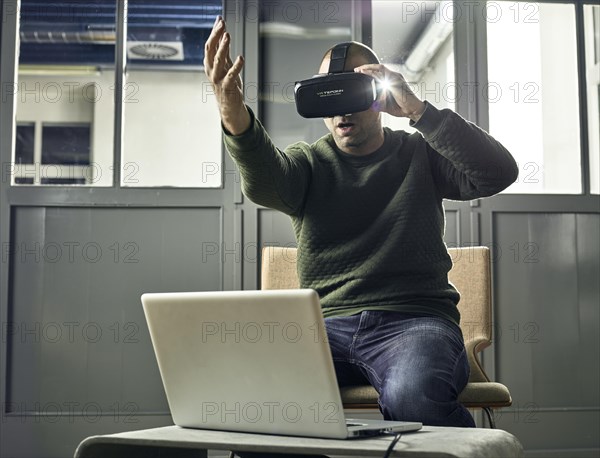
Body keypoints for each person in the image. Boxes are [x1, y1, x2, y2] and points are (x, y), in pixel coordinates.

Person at [204, 15, 518, 458]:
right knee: (258, 398)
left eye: (353, 94)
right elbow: (263, 183)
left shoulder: (420, 154)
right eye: (328, 98)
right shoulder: (308, 164)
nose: (341, 110)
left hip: (414, 322)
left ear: (378, 96)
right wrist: (231, 112)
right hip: (323, 327)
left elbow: (498, 173)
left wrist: (418, 111)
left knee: (415, 394)